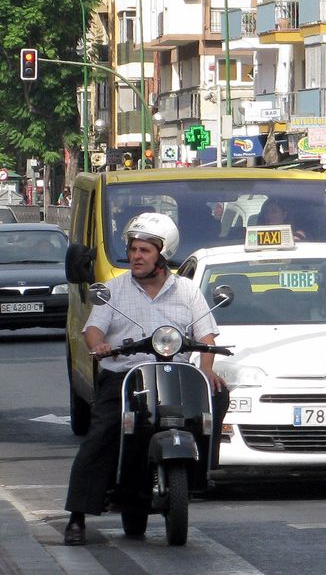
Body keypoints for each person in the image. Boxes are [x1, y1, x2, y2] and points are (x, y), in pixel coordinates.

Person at [62, 213, 227, 546]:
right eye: (133, 249)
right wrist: (100, 345)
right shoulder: (114, 290)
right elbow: (93, 329)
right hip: (126, 376)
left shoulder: (187, 290)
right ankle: (77, 516)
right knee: (102, 433)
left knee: (218, 396)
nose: (136, 256)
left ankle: (201, 471)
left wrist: (207, 368)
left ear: (162, 256)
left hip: (175, 373)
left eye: (144, 251)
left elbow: (206, 335)